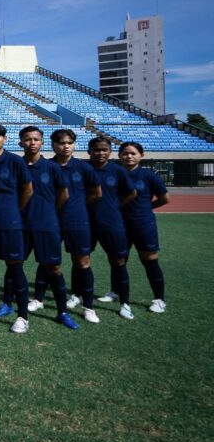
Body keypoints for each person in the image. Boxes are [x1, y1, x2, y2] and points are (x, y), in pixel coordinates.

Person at [18, 126, 78, 331]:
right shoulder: (16, 165)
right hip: (21, 226)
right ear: (20, 142)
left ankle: (62, 312)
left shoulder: (52, 167)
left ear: (42, 143)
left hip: (46, 225)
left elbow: (64, 194)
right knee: (15, 265)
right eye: (27, 139)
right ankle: (8, 305)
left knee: (53, 267)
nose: (32, 142)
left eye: (36, 139)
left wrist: (49, 212)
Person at [0, 123, 34, 334]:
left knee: (15, 267)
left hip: (9, 222)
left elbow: (28, 189)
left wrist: (13, 210)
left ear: (5, 138)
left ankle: (22, 316)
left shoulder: (15, 161)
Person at [50, 129, 102, 324]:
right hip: (52, 222)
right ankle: (40, 300)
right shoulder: (47, 166)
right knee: (51, 263)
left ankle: (88, 307)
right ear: (53, 145)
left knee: (82, 263)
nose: (66, 146)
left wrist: (77, 206)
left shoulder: (83, 167)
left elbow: (96, 193)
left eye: (69, 143)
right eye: (61, 143)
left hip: (77, 221)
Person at [86, 137, 137, 320]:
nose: (101, 153)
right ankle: (77, 296)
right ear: (89, 151)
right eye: (96, 149)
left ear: (110, 151)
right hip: (86, 223)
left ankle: (125, 303)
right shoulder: (84, 168)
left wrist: (116, 206)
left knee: (118, 261)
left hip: (112, 223)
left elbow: (132, 193)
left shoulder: (118, 170)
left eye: (104, 150)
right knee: (81, 261)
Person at [118, 142, 170, 313]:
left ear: (141, 155)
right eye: (125, 153)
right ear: (119, 156)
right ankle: (115, 292)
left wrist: (147, 208)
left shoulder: (148, 175)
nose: (129, 156)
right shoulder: (116, 173)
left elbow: (164, 199)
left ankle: (159, 299)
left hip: (143, 224)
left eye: (133, 153)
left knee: (149, 260)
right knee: (119, 260)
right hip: (120, 224)